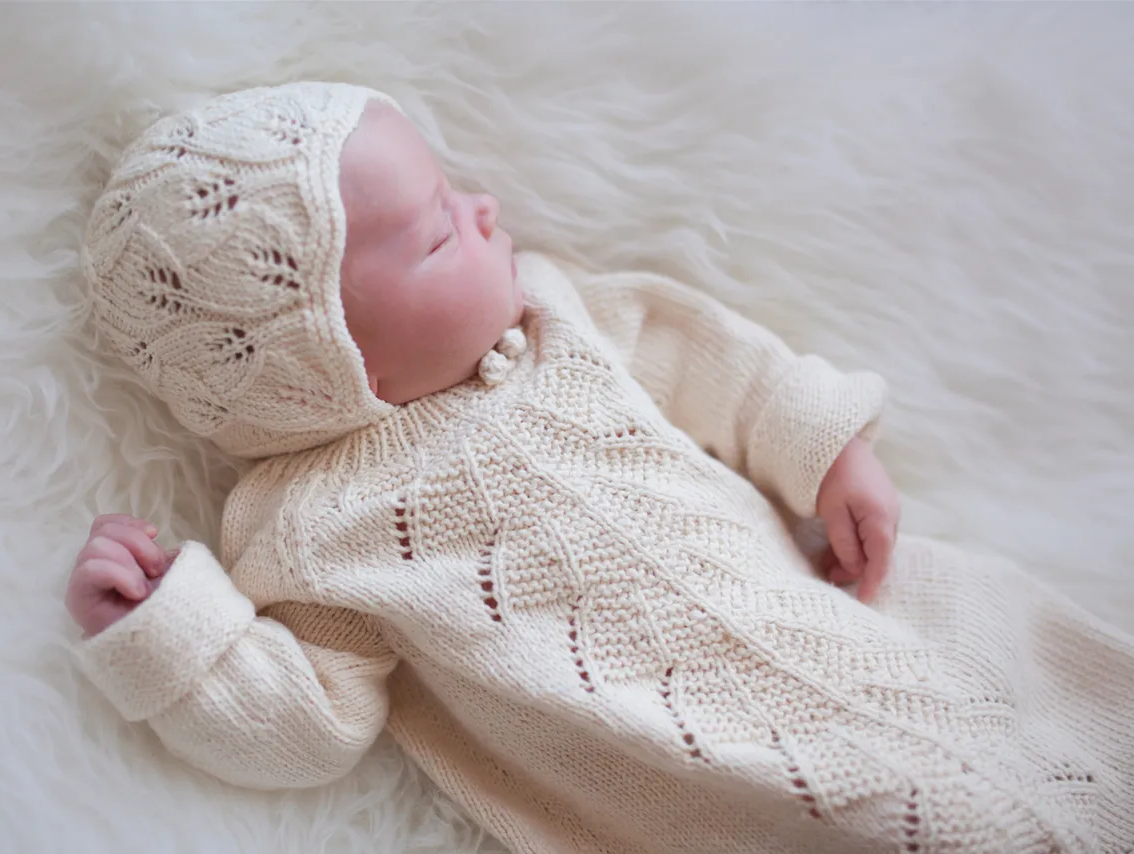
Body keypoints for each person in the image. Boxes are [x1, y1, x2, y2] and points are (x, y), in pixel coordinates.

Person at [68, 82, 1134, 853]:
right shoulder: (310, 525)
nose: (483, 208)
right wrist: (176, 629)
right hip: (712, 772)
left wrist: (826, 453)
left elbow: (717, 365)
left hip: (835, 620)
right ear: (348, 369)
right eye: (440, 233)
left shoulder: (563, 316)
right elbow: (305, 726)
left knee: (1036, 732)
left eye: (458, 197)